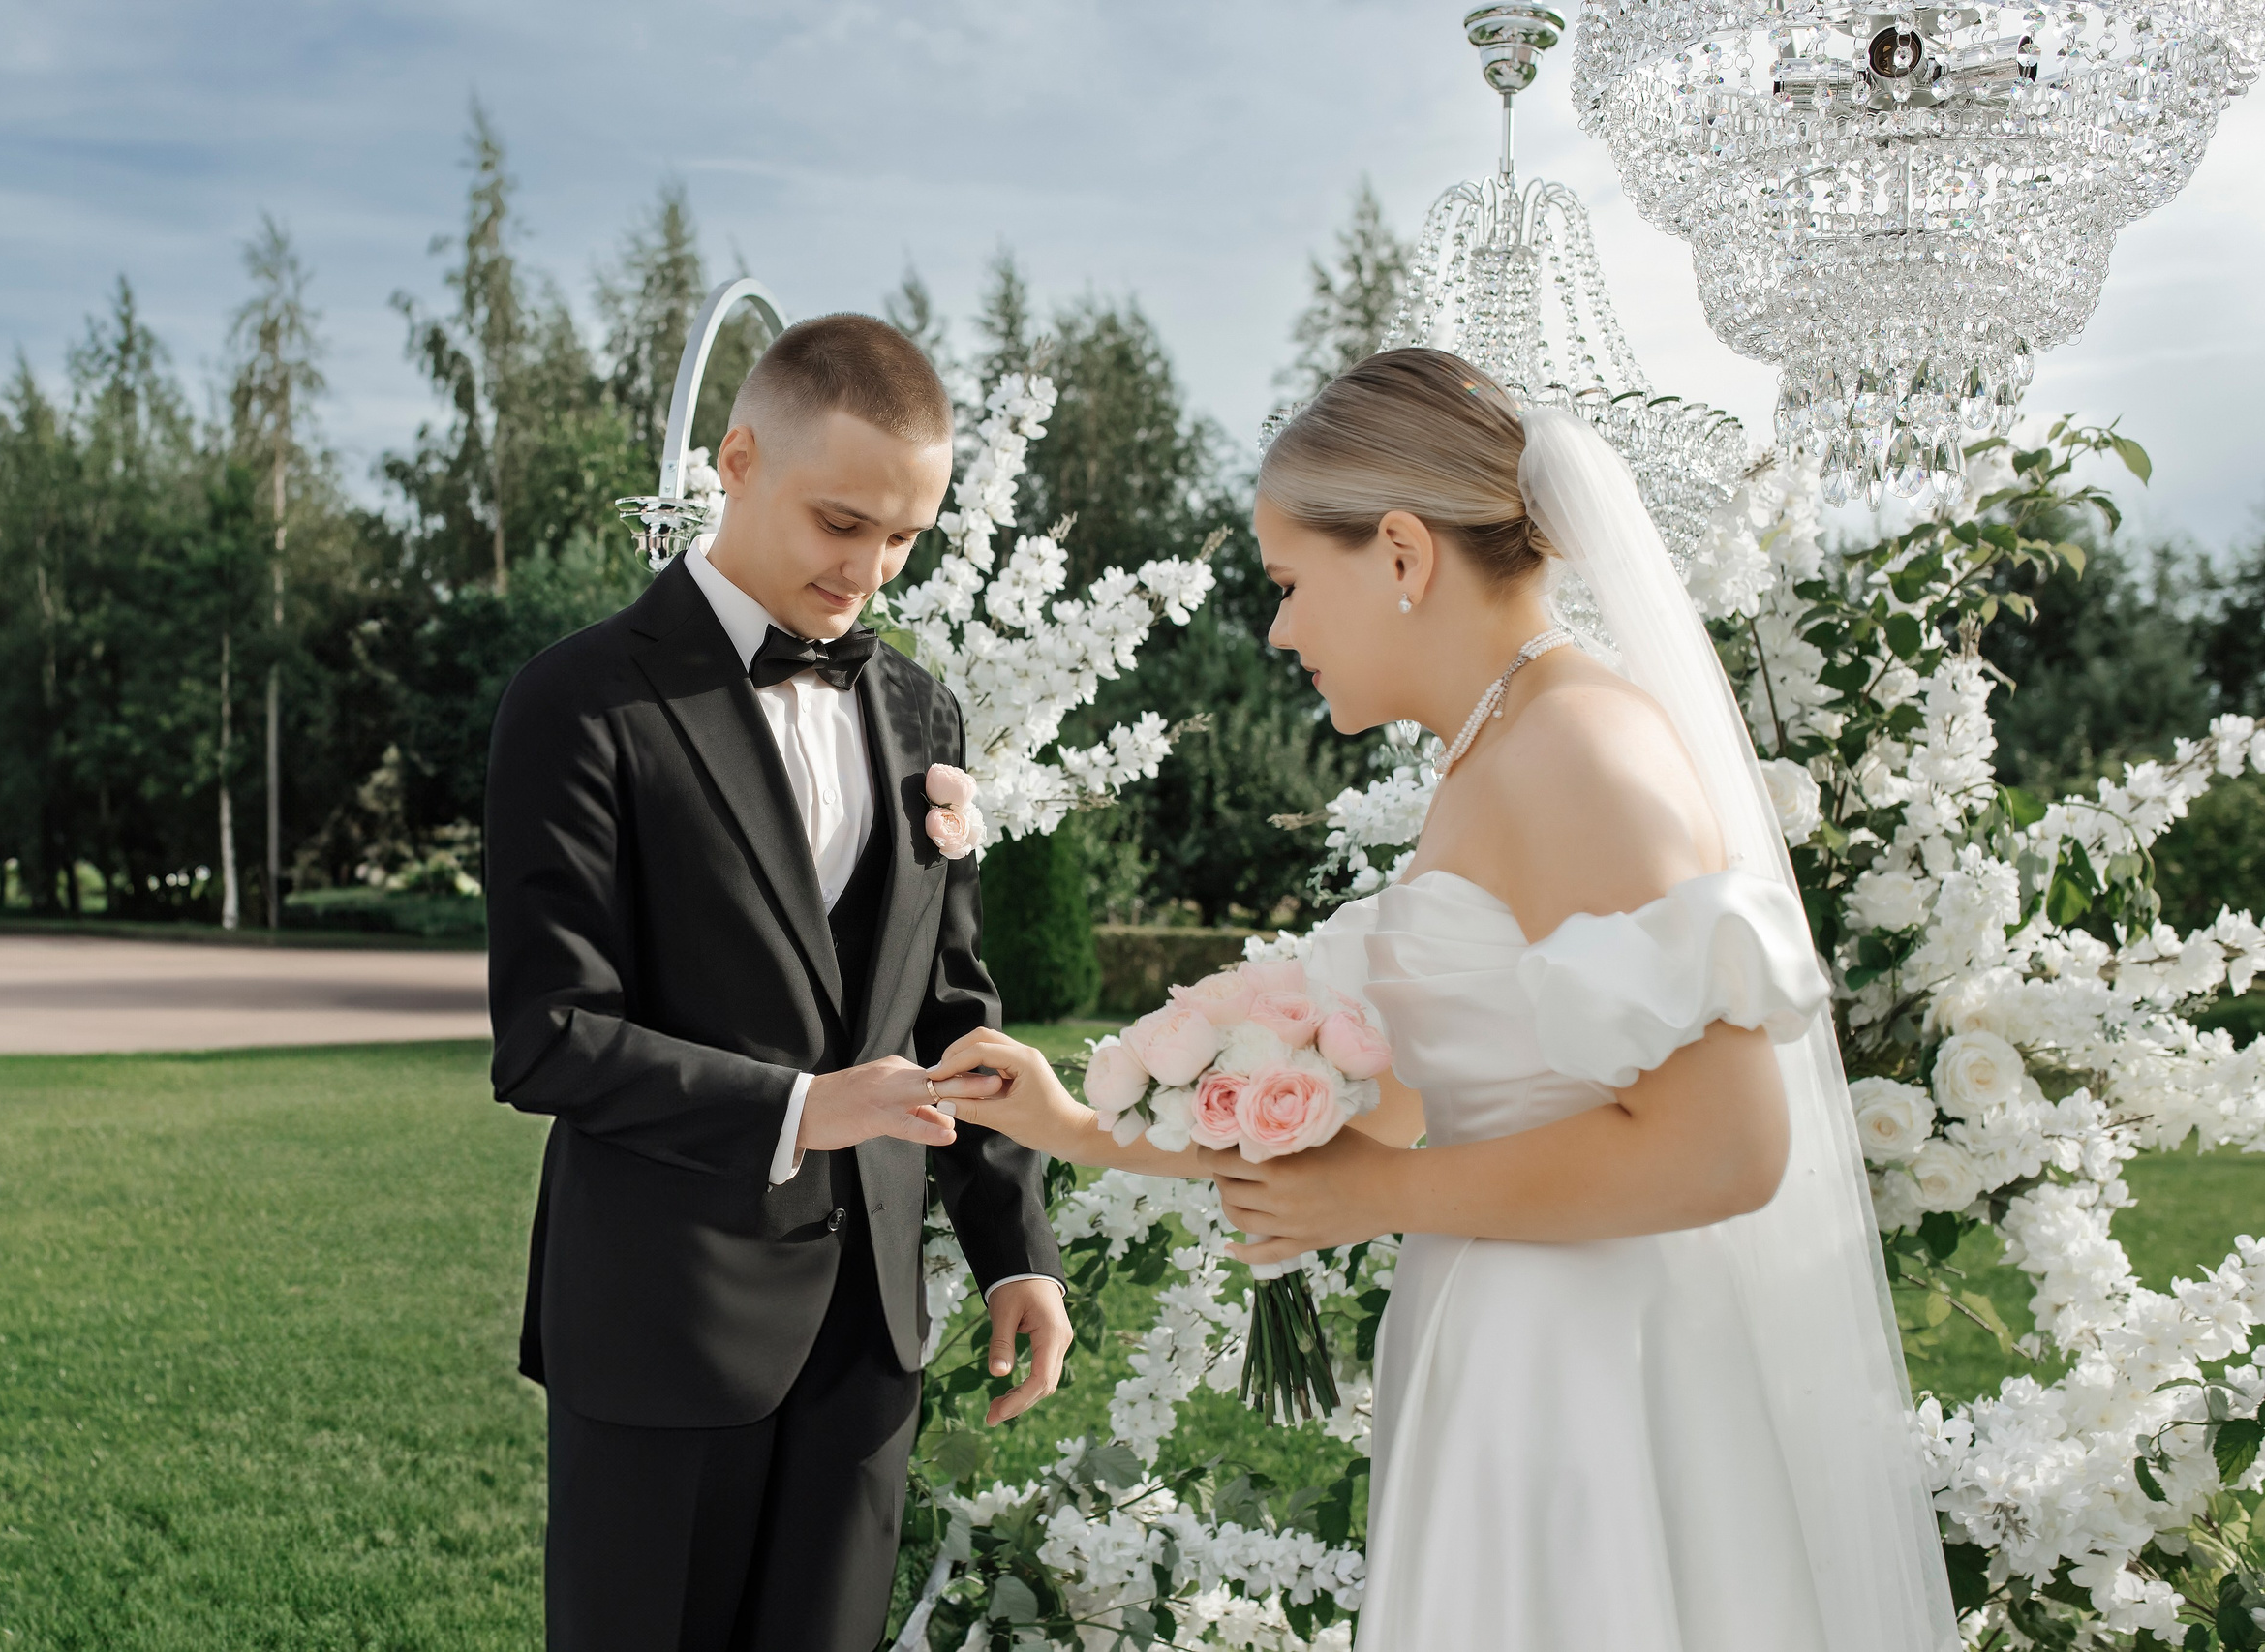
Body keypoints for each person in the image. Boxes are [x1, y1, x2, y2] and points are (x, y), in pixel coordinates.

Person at [927, 351, 1960, 1650]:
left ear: (1403, 555)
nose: (1281, 629)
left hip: (1591, 1378)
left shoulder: (1579, 748)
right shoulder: (1496, 749)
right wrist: (1075, 1121)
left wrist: (1380, 1197)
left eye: (1294, 583)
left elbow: (1728, 1147)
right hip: (1502, 1348)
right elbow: (1390, 1098)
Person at [483, 312, 1073, 1652]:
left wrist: (1009, 1248)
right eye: (840, 521)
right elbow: (549, 1036)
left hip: (867, 1342)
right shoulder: (576, 702)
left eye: (905, 537)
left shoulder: (924, 710)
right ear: (736, 459)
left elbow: (952, 1008)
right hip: (661, 1321)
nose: (868, 569)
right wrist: (810, 1108)